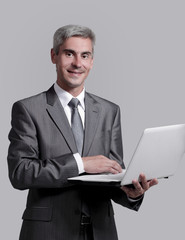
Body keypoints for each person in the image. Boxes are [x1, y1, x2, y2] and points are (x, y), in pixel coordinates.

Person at [7, 25, 158, 240]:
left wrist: (131, 194)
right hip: (47, 232)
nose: (78, 63)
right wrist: (81, 164)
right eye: (70, 54)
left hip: (100, 231)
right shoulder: (29, 109)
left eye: (85, 55)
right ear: (54, 56)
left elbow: (112, 175)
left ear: (92, 61)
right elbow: (20, 173)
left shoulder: (110, 111)